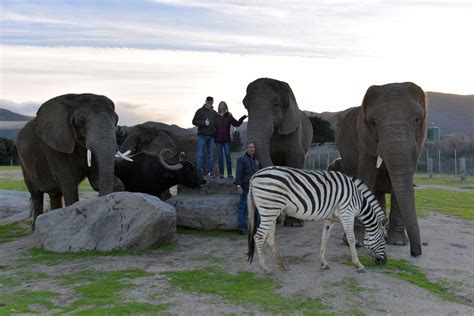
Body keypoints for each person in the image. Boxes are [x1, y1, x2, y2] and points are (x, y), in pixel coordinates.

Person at [215, 101, 247, 178]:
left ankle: (229, 173)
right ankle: (221, 173)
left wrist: (242, 118)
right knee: (220, 157)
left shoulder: (229, 116)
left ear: (226, 107)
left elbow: (236, 124)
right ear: (219, 107)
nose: (222, 107)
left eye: (224, 105)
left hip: (226, 139)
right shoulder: (215, 116)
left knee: (228, 156)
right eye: (221, 105)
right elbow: (212, 127)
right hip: (218, 140)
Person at [235, 142, 260, 235]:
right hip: (246, 187)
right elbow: (238, 174)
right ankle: (241, 227)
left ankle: (257, 227)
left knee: (257, 208)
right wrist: (238, 186)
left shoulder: (257, 161)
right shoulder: (242, 160)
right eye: (250, 147)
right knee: (243, 207)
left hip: (256, 188)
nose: (252, 149)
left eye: (253, 147)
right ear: (246, 149)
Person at [192, 96, 218, 178]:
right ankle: (198, 173)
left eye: (211, 101)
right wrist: (203, 123)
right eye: (209, 101)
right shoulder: (200, 111)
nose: (210, 102)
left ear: (212, 102)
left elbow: (219, 122)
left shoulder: (214, 113)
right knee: (200, 155)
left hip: (211, 137)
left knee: (210, 155)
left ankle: (209, 173)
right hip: (202, 136)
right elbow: (194, 121)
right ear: (206, 101)